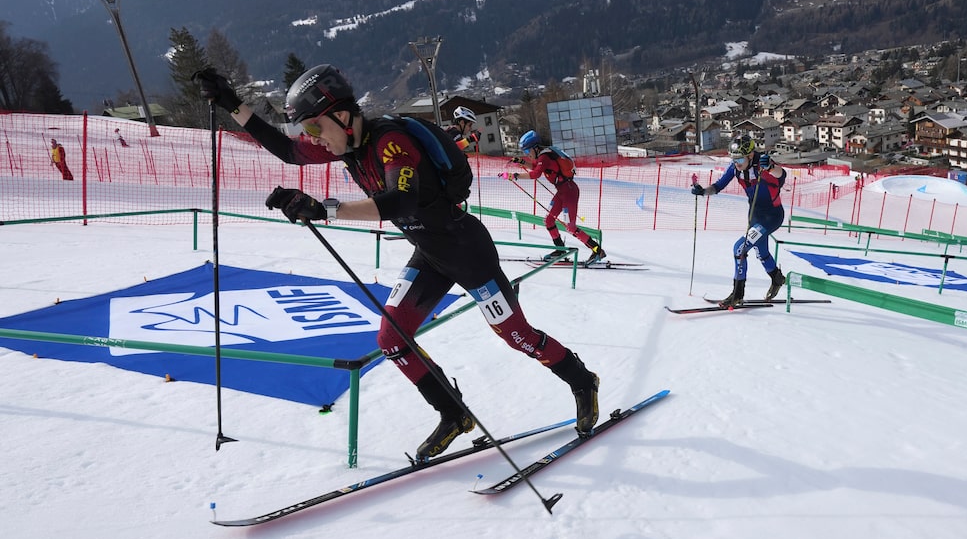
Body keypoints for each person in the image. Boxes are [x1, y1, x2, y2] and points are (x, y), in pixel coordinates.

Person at [194, 65, 600, 459]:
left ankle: (582, 381)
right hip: (430, 255)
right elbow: (286, 150)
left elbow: (399, 200)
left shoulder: (390, 142)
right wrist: (232, 102)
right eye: (307, 129)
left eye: (315, 126)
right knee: (391, 340)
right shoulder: (343, 143)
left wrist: (325, 209)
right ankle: (453, 413)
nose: (312, 137)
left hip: (467, 252)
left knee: (517, 336)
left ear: (341, 114)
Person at [692, 135, 787, 306]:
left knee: (739, 249)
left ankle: (737, 294)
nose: (736, 162)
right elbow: (718, 186)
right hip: (755, 216)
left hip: (771, 217)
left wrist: (771, 167)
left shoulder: (762, 164)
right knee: (761, 252)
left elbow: (781, 175)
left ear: (751, 155)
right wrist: (702, 192)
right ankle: (777, 278)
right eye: (733, 158)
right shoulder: (736, 168)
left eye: (740, 158)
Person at [503, 130, 606, 266]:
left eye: (528, 152)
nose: (528, 155)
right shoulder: (543, 157)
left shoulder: (544, 157)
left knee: (571, 226)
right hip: (562, 192)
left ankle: (597, 250)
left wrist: (514, 176)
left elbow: (535, 174)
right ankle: (560, 250)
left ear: (535, 148)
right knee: (549, 220)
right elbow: (536, 166)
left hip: (569, 192)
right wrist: (521, 162)